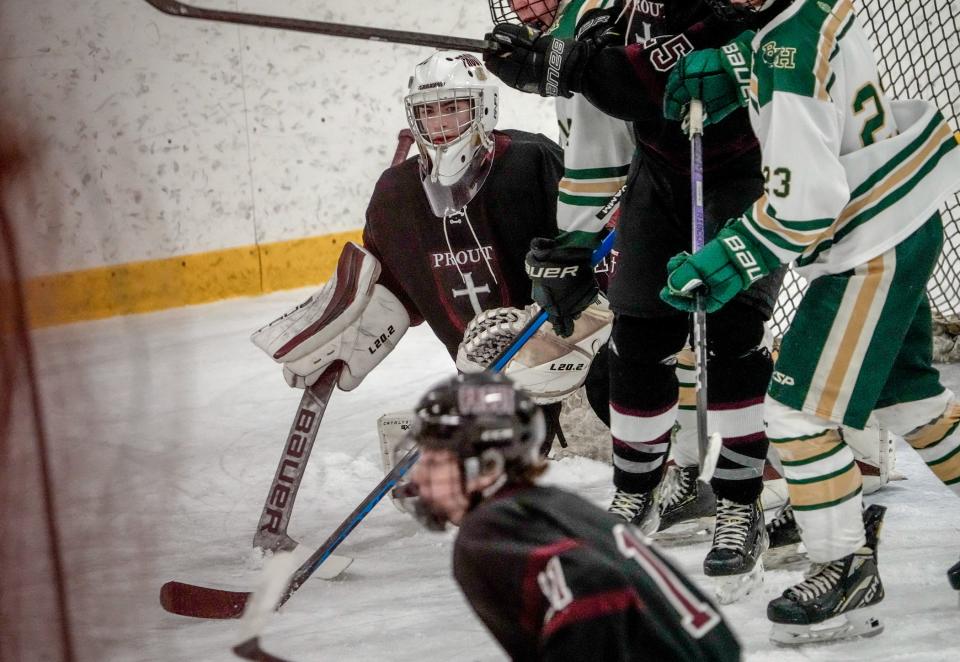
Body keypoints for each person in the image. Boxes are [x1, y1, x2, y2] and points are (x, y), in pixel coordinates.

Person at [661, 0, 960, 643]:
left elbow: (806, 205)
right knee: (908, 396)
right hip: (902, 218)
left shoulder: (784, 55)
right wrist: (739, 65)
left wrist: (727, 258)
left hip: (867, 248)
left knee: (797, 415)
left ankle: (845, 572)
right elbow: (811, 63)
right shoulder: (815, 11)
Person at [483, 0, 785, 603]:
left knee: (731, 336)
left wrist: (586, 69)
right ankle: (636, 491)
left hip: (751, 172)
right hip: (662, 174)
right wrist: (576, 236)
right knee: (639, 335)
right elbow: (602, 132)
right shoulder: (602, 11)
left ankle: (739, 500)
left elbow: (660, 75)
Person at [251, 51, 612, 468]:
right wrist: (358, 328)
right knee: (493, 473)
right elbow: (396, 285)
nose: (440, 124)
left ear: (484, 107)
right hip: (482, 369)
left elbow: (592, 241)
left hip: (565, 341)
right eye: (428, 111)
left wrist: (578, 321)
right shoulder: (395, 195)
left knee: (618, 392)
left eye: (453, 108)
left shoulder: (531, 160)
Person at [406, 370, 742, 661]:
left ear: (488, 467)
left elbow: (591, 586)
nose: (419, 477)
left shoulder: (490, 528)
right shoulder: (555, 506)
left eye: (435, 463)